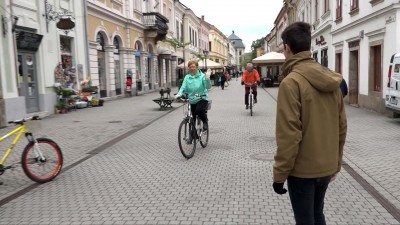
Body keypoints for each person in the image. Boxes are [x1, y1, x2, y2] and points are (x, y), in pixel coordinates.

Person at [272, 22, 347, 225]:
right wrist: (336, 164)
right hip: (326, 167)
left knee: (305, 220)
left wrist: (279, 175)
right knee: (317, 215)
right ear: (309, 46)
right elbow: (342, 126)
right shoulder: (332, 79)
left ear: (287, 48)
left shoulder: (291, 82)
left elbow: (289, 135)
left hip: (302, 171)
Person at [175, 60, 212, 131]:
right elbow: (183, 87)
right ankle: (192, 137)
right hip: (192, 100)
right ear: (188, 68)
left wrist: (207, 78)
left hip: (202, 98)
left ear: (197, 67)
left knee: (199, 110)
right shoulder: (187, 77)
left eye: (193, 67)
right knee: (192, 119)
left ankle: (205, 121)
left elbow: (208, 87)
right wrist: (179, 94)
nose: (192, 68)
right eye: (190, 67)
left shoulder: (202, 76)